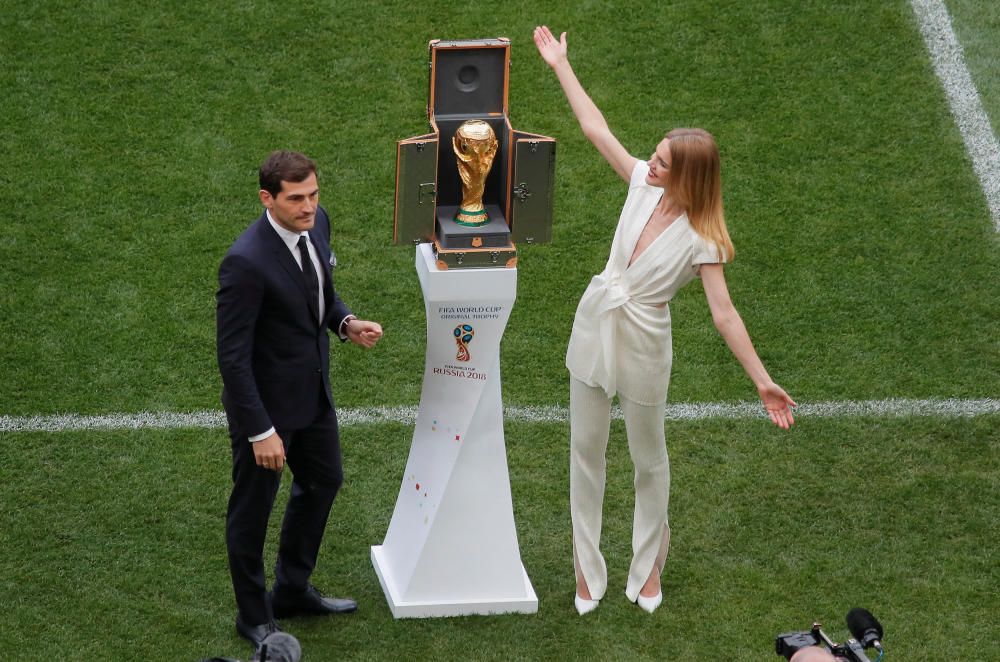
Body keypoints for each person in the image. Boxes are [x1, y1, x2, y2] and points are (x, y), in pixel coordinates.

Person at [533, 26, 797, 615]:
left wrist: (762, 380)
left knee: (648, 458)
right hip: (596, 320)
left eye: (661, 162)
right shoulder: (640, 185)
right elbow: (594, 128)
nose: (649, 165)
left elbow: (724, 315)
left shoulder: (706, 237)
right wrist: (561, 66)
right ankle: (585, 564)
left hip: (647, 339)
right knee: (585, 448)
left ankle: (650, 566)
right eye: (652, 156)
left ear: (687, 177)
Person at [216, 150, 383, 649]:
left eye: (313, 194)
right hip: (266, 413)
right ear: (267, 199)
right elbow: (233, 357)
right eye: (296, 199)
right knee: (252, 510)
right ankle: (252, 615)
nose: (309, 206)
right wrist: (260, 430)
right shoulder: (245, 261)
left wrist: (345, 322)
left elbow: (319, 293)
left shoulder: (318, 223)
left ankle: (290, 589)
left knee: (324, 480)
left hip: (312, 396)